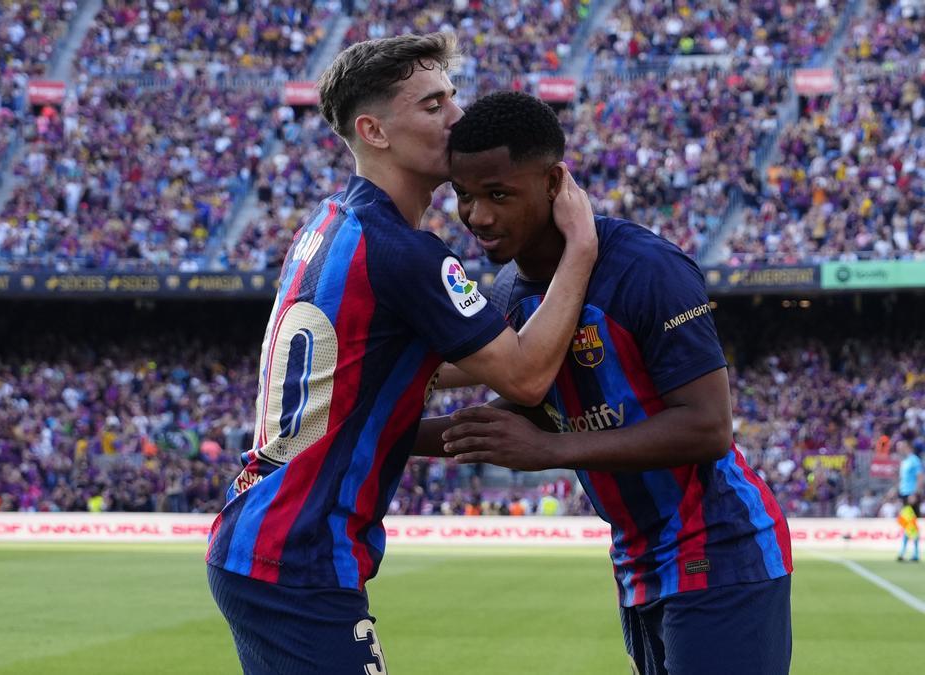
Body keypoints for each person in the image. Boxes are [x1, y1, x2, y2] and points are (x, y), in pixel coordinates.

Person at [206, 35, 599, 674]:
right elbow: (526, 376)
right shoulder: (405, 252)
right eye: (433, 105)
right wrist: (580, 247)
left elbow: (376, 365)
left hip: (265, 539)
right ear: (374, 131)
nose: (456, 117)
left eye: (452, 97)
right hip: (298, 556)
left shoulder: (329, 225)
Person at [431, 92, 793, 675]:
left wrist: (551, 451)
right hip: (638, 559)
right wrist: (370, 433)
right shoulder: (509, 292)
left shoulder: (647, 269)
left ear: (554, 182)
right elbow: (511, 417)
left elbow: (708, 427)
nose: (478, 217)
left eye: (499, 194)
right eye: (464, 196)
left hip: (719, 547)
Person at [897, 494, 920, 562]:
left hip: (914, 529)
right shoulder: (906, 507)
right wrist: (905, 525)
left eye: (913, 498)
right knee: (904, 542)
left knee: (915, 543)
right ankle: (901, 555)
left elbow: (917, 517)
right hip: (908, 529)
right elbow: (901, 518)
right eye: (911, 498)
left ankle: (915, 556)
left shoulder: (916, 507)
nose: (912, 500)